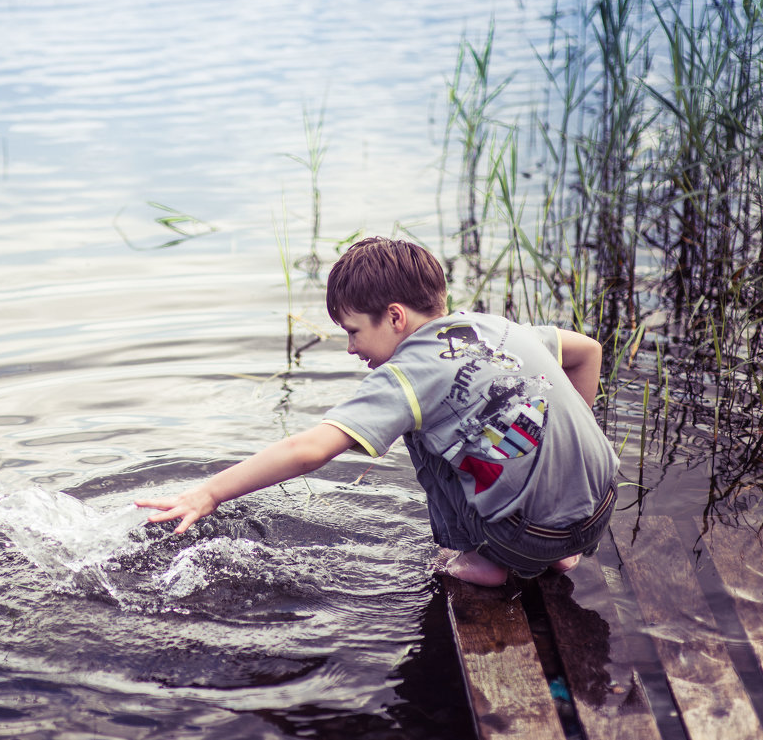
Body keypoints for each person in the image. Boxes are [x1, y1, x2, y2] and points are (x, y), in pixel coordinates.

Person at [135, 237, 618, 587]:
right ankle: (559, 550)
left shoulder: (408, 373)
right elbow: (588, 351)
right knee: (522, 405)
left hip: (524, 538)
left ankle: (482, 561)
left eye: (352, 331)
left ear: (394, 316)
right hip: (599, 509)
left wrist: (210, 493)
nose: (350, 348)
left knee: (420, 427)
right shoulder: (496, 327)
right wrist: (566, 457)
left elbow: (308, 450)